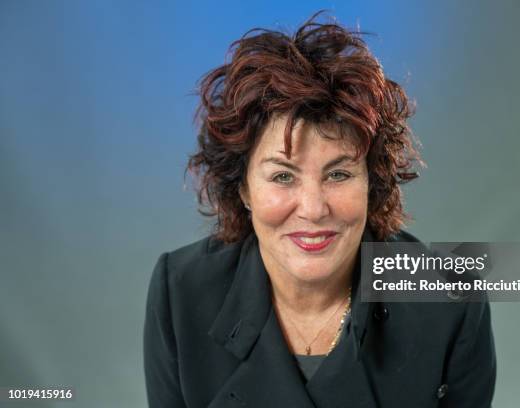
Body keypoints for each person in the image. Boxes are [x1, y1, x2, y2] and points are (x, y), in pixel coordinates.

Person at [143, 12, 496, 408]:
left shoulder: (450, 304)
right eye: (282, 177)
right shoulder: (181, 293)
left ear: (372, 182)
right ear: (242, 187)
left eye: (339, 174)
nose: (313, 209)